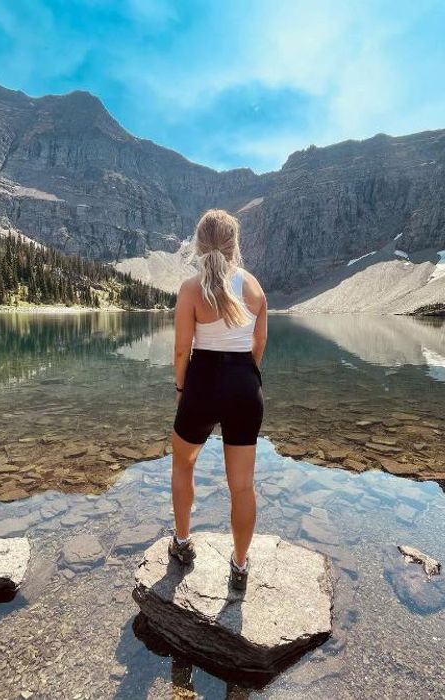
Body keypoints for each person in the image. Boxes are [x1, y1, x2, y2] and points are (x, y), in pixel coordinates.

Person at [168, 209, 268, 592]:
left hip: (202, 383)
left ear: (198, 244)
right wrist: (244, 378)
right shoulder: (255, 288)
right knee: (242, 485)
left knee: (183, 464)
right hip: (244, 384)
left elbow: (181, 351)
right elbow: (259, 345)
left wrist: (182, 390)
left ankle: (182, 543)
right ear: (234, 246)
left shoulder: (191, 289)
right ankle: (240, 566)